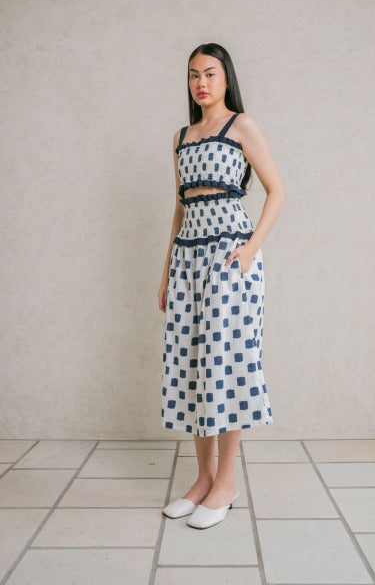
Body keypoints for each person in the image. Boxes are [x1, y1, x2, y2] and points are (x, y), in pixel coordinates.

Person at [158, 43, 285, 529]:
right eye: (193, 75)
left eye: (210, 73)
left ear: (226, 77)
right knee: (193, 364)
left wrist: (250, 250)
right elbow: (180, 207)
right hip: (188, 259)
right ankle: (203, 479)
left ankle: (226, 483)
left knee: (226, 364)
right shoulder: (181, 137)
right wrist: (166, 272)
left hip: (230, 257)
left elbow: (277, 190)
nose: (201, 83)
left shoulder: (242, 126)